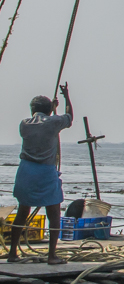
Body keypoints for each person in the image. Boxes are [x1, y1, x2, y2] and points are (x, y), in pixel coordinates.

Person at [7, 84, 72, 264]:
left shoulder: (24, 124)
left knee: (23, 210)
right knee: (54, 212)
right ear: (49, 110)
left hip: (26, 170)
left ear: (32, 110)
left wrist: (51, 111)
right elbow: (69, 118)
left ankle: (13, 252)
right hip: (45, 171)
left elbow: (47, 122)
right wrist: (67, 97)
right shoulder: (53, 122)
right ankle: (52, 255)